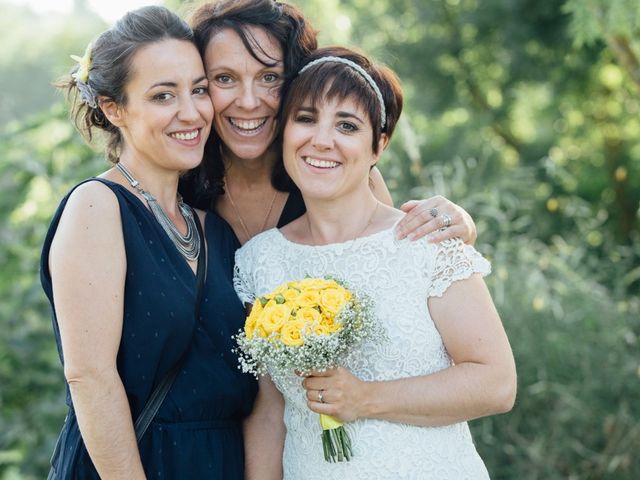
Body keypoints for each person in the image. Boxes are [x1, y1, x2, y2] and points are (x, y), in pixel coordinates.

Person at [233, 46, 517, 479]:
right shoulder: (259, 261)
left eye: (346, 125)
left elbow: (496, 384)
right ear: (284, 131)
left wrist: (364, 398)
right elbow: (270, 414)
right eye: (306, 119)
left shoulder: (426, 240)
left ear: (378, 146)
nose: (321, 140)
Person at [42, 6, 255, 478]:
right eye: (163, 96)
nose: (193, 111)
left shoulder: (214, 228)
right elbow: (90, 377)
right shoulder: (98, 208)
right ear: (113, 109)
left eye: (199, 90)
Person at [180, 0, 478, 246]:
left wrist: (459, 226)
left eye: (269, 77)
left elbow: (395, 259)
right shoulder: (181, 181)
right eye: (224, 78)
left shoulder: (338, 172)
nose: (248, 101)